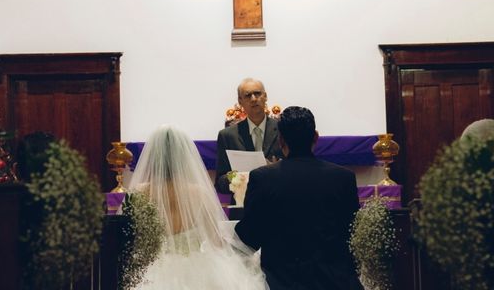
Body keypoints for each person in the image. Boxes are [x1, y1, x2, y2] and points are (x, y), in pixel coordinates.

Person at [235, 106, 363, 290]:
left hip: (283, 282)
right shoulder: (343, 178)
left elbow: (250, 236)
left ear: (281, 140)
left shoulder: (262, 178)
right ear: (316, 137)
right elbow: (352, 233)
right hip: (336, 281)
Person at [129, 124, 268, 289]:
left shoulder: (137, 194)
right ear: (184, 157)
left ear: (152, 157)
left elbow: (131, 237)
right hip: (196, 269)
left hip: (150, 272)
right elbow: (215, 241)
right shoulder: (199, 193)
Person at [215, 78, 282, 194]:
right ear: (240, 101)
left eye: (257, 93)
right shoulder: (227, 136)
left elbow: (296, 170)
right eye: (247, 95)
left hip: (277, 204)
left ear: (265, 96)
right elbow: (220, 182)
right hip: (243, 207)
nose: (253, 99)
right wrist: (238, 177)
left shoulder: (283, 129)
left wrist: (277, 169)